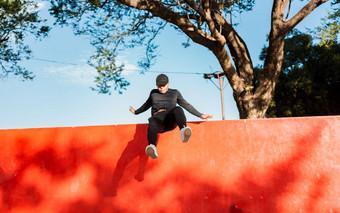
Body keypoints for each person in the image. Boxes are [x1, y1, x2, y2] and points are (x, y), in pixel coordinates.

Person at [129, 74, 213, 159]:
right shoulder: (153, 93)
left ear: (168, 84)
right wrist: (136, 112)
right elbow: (146, 105)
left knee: (178, 109)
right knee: (152, 121)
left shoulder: (175, 93)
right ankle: (152, 147)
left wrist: (201, 115)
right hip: (158, 121)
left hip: (170, 120)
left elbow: (186, 105)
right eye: (159, 86)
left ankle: (183, 130)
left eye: (163, 85)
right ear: (156, 85)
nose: (161, 88)